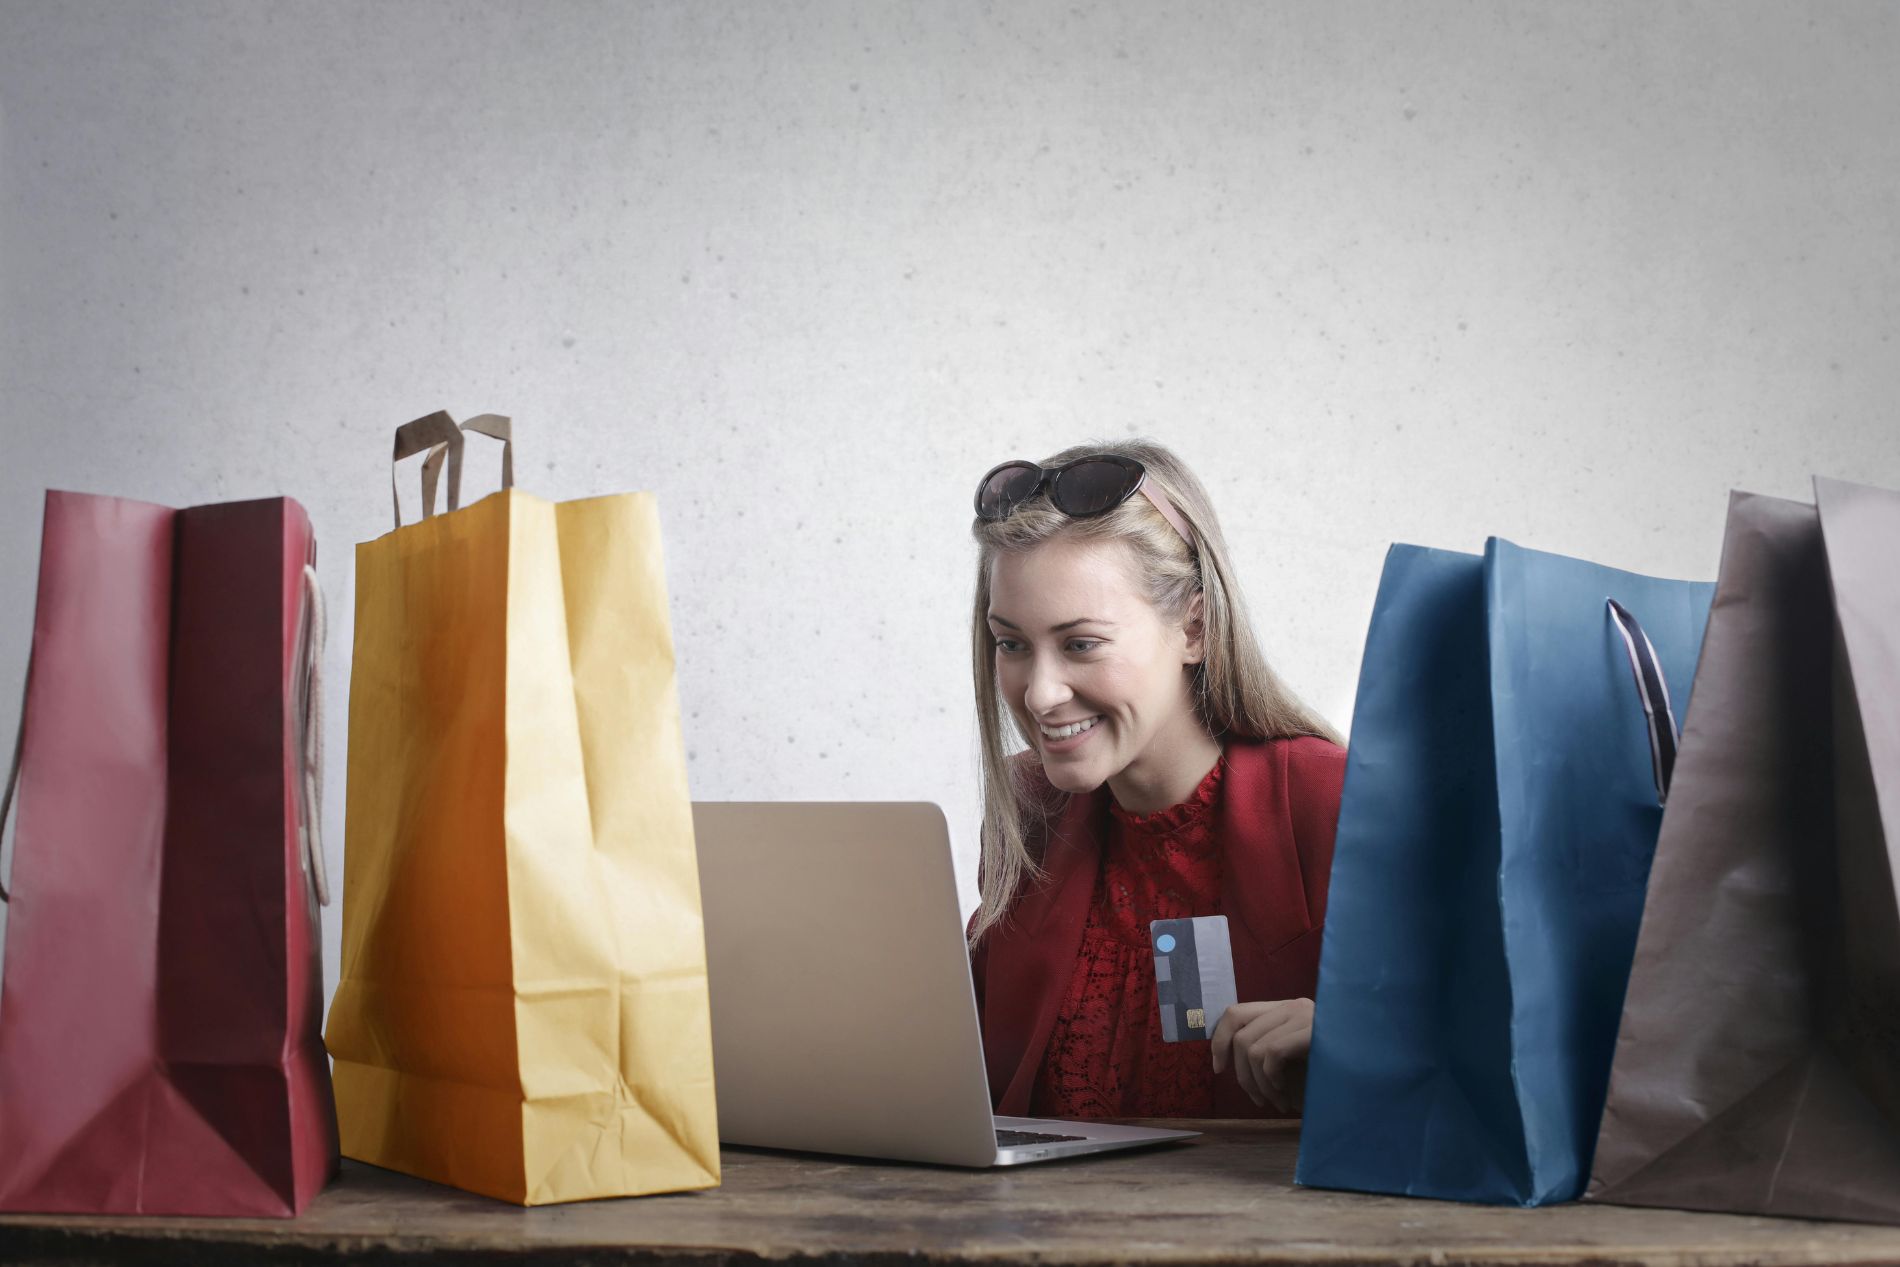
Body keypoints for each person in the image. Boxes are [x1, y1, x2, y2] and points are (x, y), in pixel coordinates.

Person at [966, 440, 1346, 1119]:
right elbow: (972, 1071)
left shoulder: (1332, 803)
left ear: (1194, 627)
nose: (1040, 692)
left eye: (1081, 642)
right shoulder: (1031, 813)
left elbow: (1485, 1044)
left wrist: (1362, 1045)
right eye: (1012, 643)